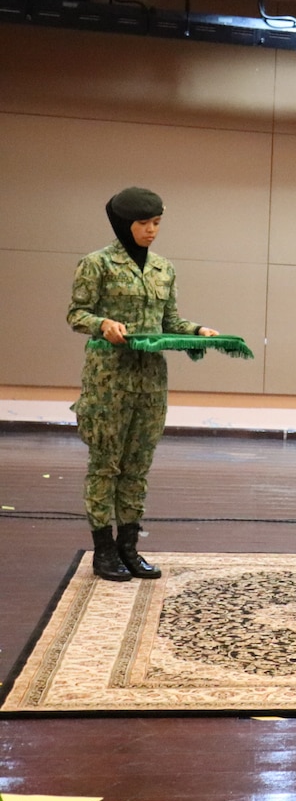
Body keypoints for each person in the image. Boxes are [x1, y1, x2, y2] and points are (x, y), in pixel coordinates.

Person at [66, 187, 220, 582]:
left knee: (137, 468)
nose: (152, 231)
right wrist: (102, 324)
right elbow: (76, 313)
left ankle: (129, 547)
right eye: (143, 224)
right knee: (105, 466)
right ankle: (103, 551)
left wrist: (198, 330)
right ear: (123, 224)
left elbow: (170, 322)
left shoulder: (163, 269)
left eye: (156, 223)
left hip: (150, 382)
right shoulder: (96, 263)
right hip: (108, 380)